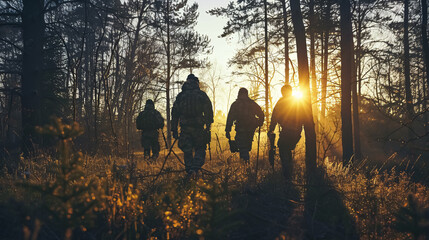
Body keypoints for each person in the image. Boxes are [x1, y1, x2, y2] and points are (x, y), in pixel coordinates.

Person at [171, 74, 213, 176]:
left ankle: (190, 171)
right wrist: (208, 126)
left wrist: (174, 130)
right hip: (198, 128)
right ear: (196, 83)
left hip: (185, 129)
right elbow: (209, 112)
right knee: (200, 148)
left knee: (187, 150)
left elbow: (175, 114)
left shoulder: (180, 96)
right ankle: (195, 169)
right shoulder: (201, 95)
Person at [268, 85, 303, 179]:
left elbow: (274, 116)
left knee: (283, 147)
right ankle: (289, 172)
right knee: (286, 149)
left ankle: (287, 174)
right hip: (297, 132)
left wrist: (271, 129)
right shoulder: (298, 101)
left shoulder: (281, 102)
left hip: (288, 131)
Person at [225, 88, 264, 163]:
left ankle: (245, 166)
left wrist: (227, 130)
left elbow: (230, 118)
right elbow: (261, 114)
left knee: (243, 148)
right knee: (246, 147)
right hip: (250, 130)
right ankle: (245, 165)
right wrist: (258, 123)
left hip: (241, 130)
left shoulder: (236, 104)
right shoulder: (252, 104)